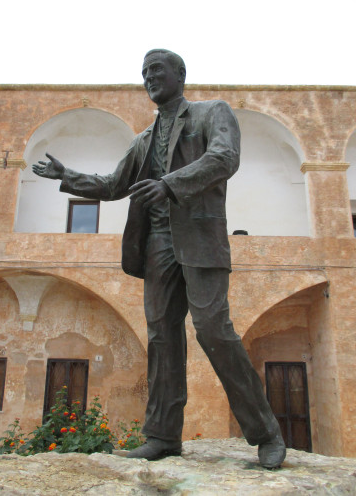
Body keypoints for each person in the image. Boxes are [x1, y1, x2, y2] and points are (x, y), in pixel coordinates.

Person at [32, 49, 286, 468]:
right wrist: (67, 176)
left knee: (213, 331)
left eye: (157, 70)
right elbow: (115, 184)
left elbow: (224, 158)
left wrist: (168, 185)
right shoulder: (143, 140)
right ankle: (163, 436)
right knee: (162, 340)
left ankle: (266, 433)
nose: (149, 77)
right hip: (158, 245)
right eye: (144, 72)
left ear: (180, 75)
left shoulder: (212, 113)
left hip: (201, 239)